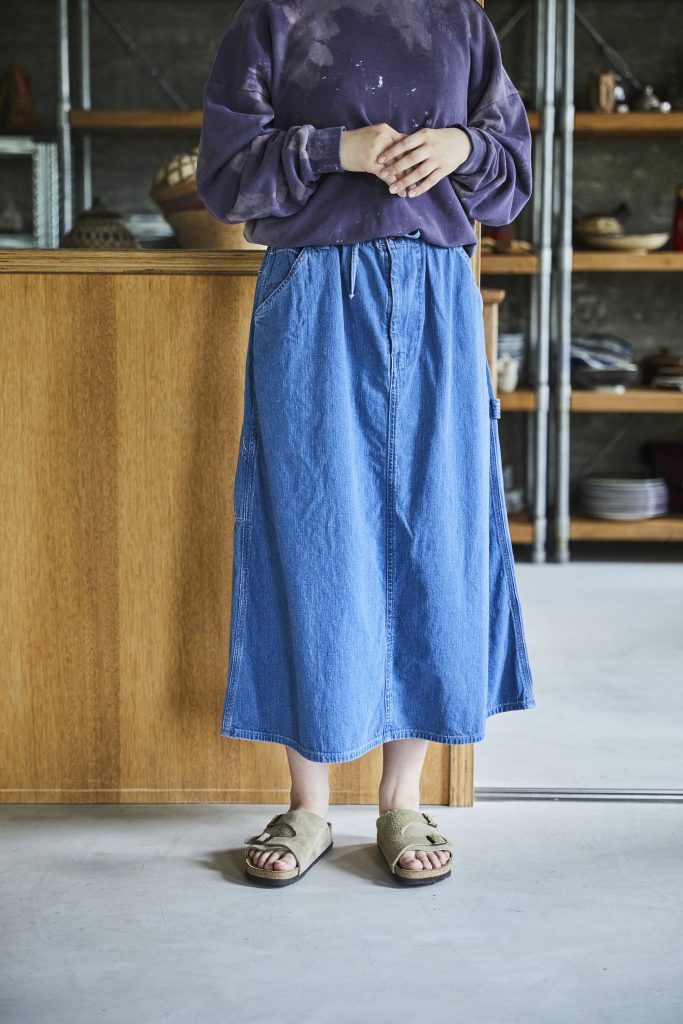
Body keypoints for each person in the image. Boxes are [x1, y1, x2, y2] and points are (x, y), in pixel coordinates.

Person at [196, 0, 536, 888]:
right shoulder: (275, 17)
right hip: (312, 290)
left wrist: (462, 147)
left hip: (436, 291)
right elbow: (224, 176)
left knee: (436, 533)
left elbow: (511, 176)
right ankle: (307, 805)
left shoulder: (459, 20)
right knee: (309, 532)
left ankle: (400, 799)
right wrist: (331, 149)